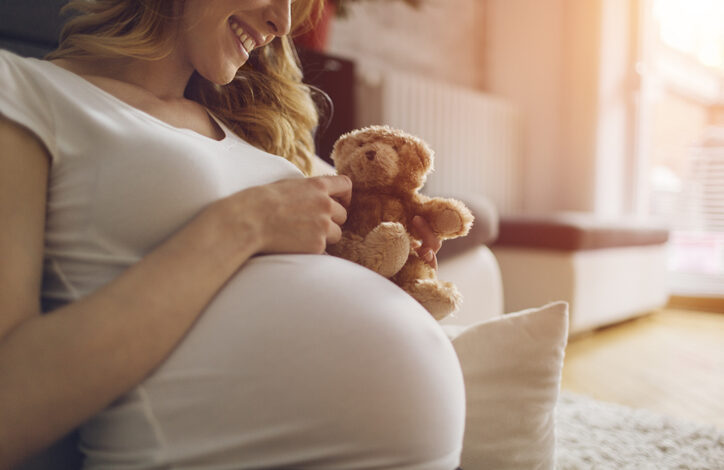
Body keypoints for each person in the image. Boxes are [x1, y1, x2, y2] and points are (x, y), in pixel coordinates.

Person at [0, 0, 466, 468]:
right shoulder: (24, 89)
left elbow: (367, 209)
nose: (282, 23)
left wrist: (394, 245)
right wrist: (244, 224)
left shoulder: (249, 126)